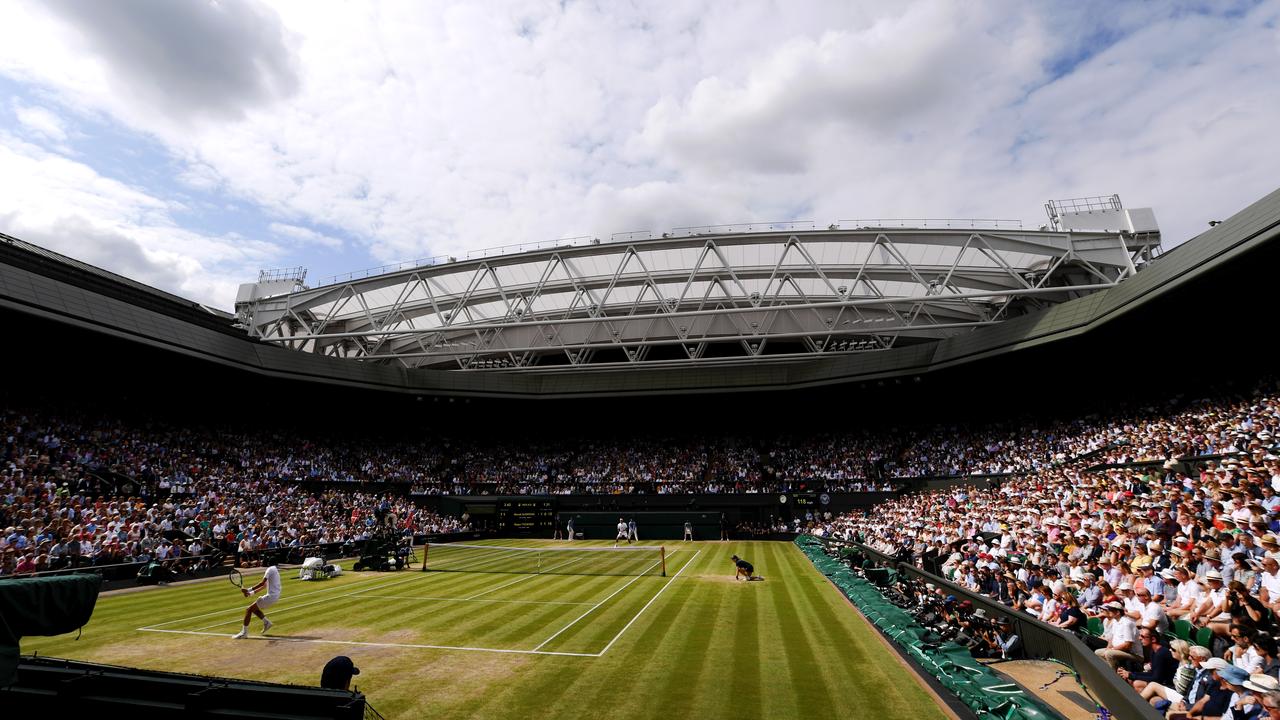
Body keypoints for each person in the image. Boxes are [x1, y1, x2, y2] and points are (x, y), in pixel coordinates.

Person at [232, 565, 281, 639]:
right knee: (253, 609)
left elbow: (262, 583)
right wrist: (250, 593)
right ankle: (266, 622)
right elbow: (264, 586)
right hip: (275, 596)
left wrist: (248, 590)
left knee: (248, 609)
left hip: (271, 596)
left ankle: (244, 633)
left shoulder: (269, 570)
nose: (261, 562)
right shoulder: (275, 569)